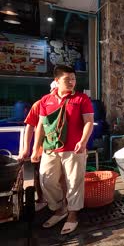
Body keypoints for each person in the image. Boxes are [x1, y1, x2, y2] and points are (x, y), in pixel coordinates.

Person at [31, 65, 94, 235]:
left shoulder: (81, 99)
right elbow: (40, 126)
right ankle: (60, 208)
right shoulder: (45, 101)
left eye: (73, 79)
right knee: (46, 179)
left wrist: (83, 141)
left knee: (74, 182)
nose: (72, 82)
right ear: (57, 81)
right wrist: (36, 148)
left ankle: (73, 215)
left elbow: (89, 121)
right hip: (50, 148)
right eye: (68, 79)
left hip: (74, 149)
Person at [18, 81, 67, 212]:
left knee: (62, 177)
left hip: (64, 149)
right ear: (51, 90)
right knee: (41, 176)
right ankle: (42, 199)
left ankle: (64, 203)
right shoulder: (39, 104)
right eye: (56, 90)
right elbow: (29, 127)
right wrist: (26, 149)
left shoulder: (69, 103)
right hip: (43, 149)